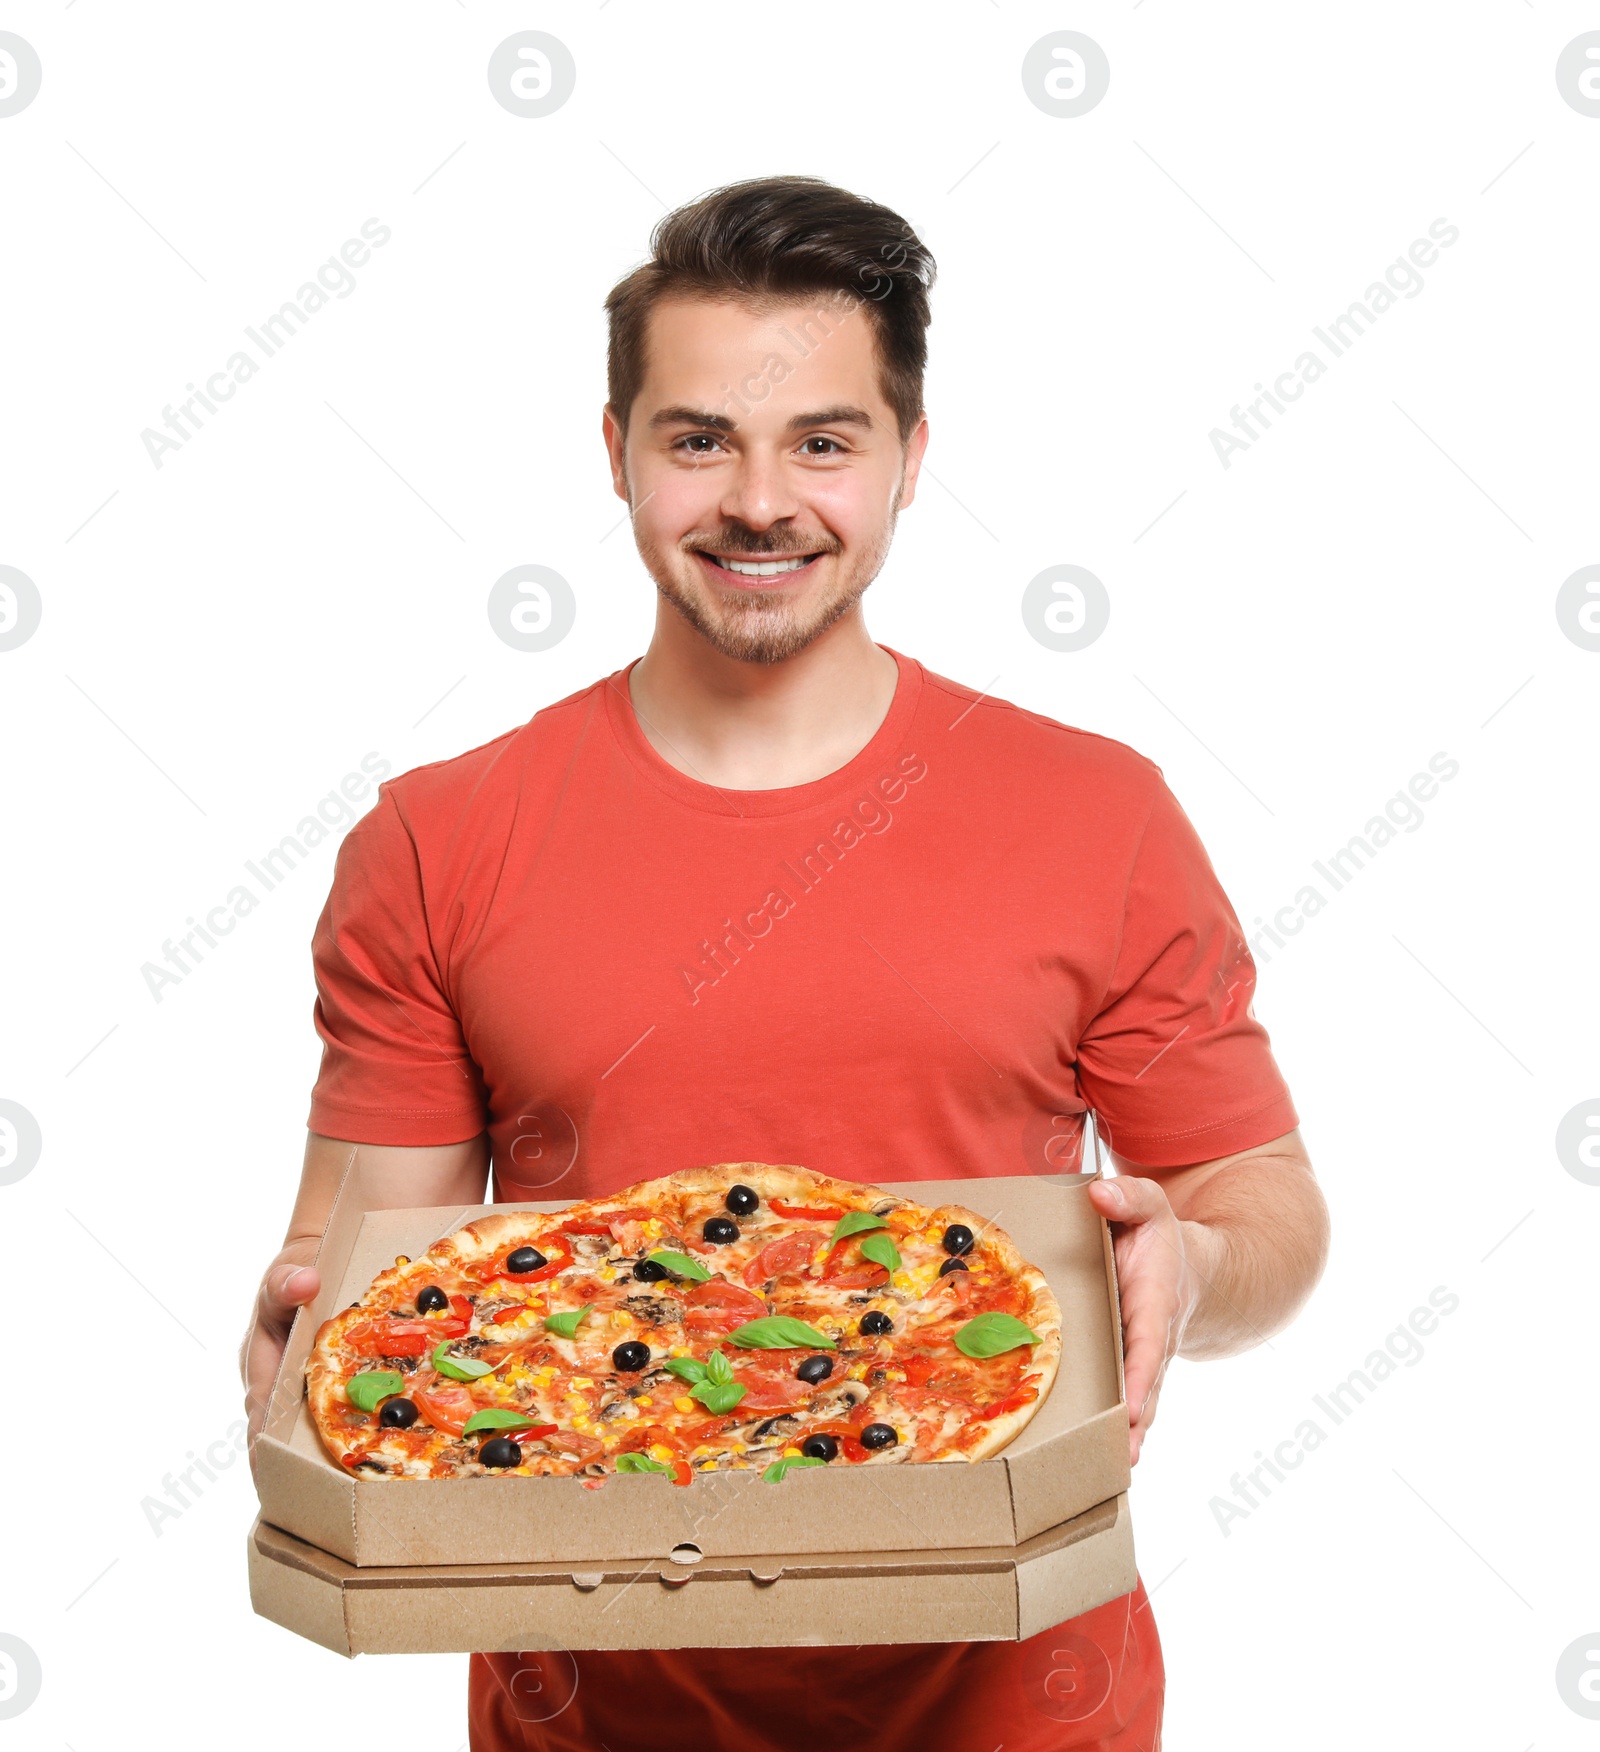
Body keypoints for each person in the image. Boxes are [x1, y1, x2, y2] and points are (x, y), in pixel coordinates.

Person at [242, 175, 1329, 1750]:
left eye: (824, 439)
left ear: (909, 462)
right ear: (613, 452)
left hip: (1024, 1700)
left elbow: (1266, 1212)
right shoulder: (437, 837)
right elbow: (372, 1276)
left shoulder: (1098, 812)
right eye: (699, 439)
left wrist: (1190, 1266)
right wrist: (289, 1332)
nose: (762, 499)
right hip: (590, 1711)